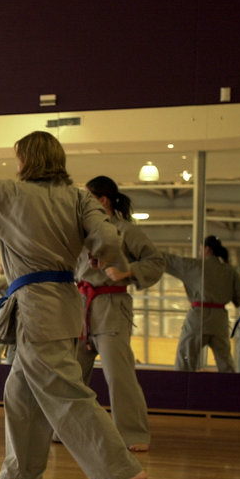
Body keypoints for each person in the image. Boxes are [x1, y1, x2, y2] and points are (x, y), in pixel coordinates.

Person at [0, 131, 147, 479]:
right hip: (64, 302)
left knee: (64, 391)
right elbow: (108, 240)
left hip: (36, 306)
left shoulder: (9, 194)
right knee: (19, 393)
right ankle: (21, 474)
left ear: (25, 160)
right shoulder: (79, 198)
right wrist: (106, 258)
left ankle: (119, 470)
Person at [76, 176, 165, 452]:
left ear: (103, 200)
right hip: (79, 306)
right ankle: (68, 430)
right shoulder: (79, 231)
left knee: (118, 375)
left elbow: (156, 262)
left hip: (111, 305)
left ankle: (133, 433)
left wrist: (128, 272)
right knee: (72, 375)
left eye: (88, 197)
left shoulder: (126, 231)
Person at [164, 236, 240, 372]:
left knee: (185, 358)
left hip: (199, 317)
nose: (199, 253)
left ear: (207, 249)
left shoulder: (196, 266)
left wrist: (147, 253)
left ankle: (181, 385)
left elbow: (171, 261)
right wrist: (235, 300)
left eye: (200, 249)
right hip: (220, 319)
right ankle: (230, 385)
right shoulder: (229, 270)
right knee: (225, 361)